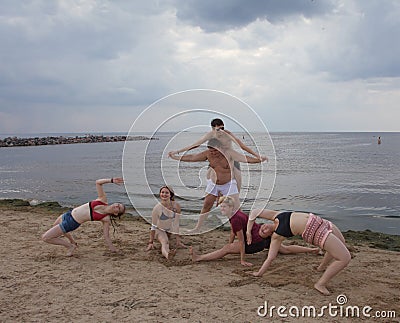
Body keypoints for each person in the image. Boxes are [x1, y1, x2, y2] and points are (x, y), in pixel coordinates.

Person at [169, 138, 266, 231]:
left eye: (215, 151)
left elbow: (245, 159)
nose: (213, 153)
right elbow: (192, 158)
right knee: (206, 206)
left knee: (237, 209)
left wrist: (259, 160)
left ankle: (245, 228)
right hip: (213, 184)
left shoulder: (229, 153)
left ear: (220, 147)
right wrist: (175, 157)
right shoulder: (208, 154)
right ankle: (197, 228)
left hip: (229, 184)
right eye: (211, 151)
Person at [247, 209, 351, 295]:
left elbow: (254, 212)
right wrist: (259, 273)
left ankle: (321, 267)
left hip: (321, 222)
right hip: (315, 232)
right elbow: (270, 258)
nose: (263, 228)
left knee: (341, 242)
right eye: (263, 232)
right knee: (344, 257)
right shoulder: (276, 237)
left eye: (261, 227)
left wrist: (248, 232)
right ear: (269, 236)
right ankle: (320, 284)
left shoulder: (276, 215)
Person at [190, 196, 319, 266]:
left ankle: (199, 258)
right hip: (263, 235)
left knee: (225, 250)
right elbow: (233, 232)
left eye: (224, 207)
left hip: (255, 243)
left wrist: (242, 259)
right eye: (221, 206)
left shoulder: (235, 219)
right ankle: (312, 250)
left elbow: (241, 242)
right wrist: (229, 242)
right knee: (285, 249)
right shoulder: (236, 214)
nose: (221, 209)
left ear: (231, 207)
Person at [168, 118, 268, 191]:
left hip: (230, 158)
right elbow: (195, 145)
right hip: (216, 159)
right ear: (213, 128)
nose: (221, 131)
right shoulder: (210, 135)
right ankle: (215, 199)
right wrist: (177, 152)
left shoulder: (227, 134)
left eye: (222, 128)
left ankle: (234, 205)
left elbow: (242, 146)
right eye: (218, 129)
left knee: (238, 183)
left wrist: (257, 156)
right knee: (211, 181)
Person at [41, 177, 125, 256]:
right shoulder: (102, 200)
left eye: (119, 208)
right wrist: (111, 180)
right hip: (68, 214)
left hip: (71, 223)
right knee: (54, 228)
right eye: (118, 204)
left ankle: (70, 246)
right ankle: (73, 242)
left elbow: (106, 236)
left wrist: (113, 249)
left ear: (116, 214)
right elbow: (98, 183)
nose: (116, 206)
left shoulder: (105, 218)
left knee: (46, 238)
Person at [146, 185, 186, 259]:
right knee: (165, 242)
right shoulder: (157, 208)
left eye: (166, 193)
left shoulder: (176, 206)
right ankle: (168, 255)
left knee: (168, 239)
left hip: (169, 230)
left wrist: (178, 240)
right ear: (160, 194)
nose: (164, 194)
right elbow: (153, 226)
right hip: (159, 230)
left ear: (170, 195)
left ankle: (169, 251)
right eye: (162, 192)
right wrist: (151, 242)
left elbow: (176, 223)